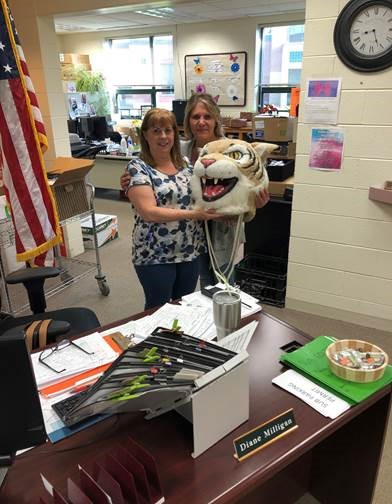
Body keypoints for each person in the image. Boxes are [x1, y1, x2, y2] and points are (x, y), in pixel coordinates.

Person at [121, 93, 270, 287]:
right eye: (195, 117)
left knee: (222, 283)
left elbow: (250, 183)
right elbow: (152, 171)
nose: (201, 122)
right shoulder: (179, 150)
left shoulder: (234, 149)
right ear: (188, 121)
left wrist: (255, 200)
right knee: (196, 288)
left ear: (216, 119)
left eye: (207, 116)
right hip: (187, 232)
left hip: (222, 228)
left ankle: (222, 317)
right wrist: (130, 182)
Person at [125, 108, 220, 310]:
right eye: (156, 131)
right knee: (158, 309)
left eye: (168, 130)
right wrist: (195, 214)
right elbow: (148, 212)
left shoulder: (185, 164)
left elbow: (202, 194)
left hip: (189, 250)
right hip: (155, 253)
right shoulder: (137, 167)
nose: (163, 136)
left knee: (183, 306)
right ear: (145, 135)